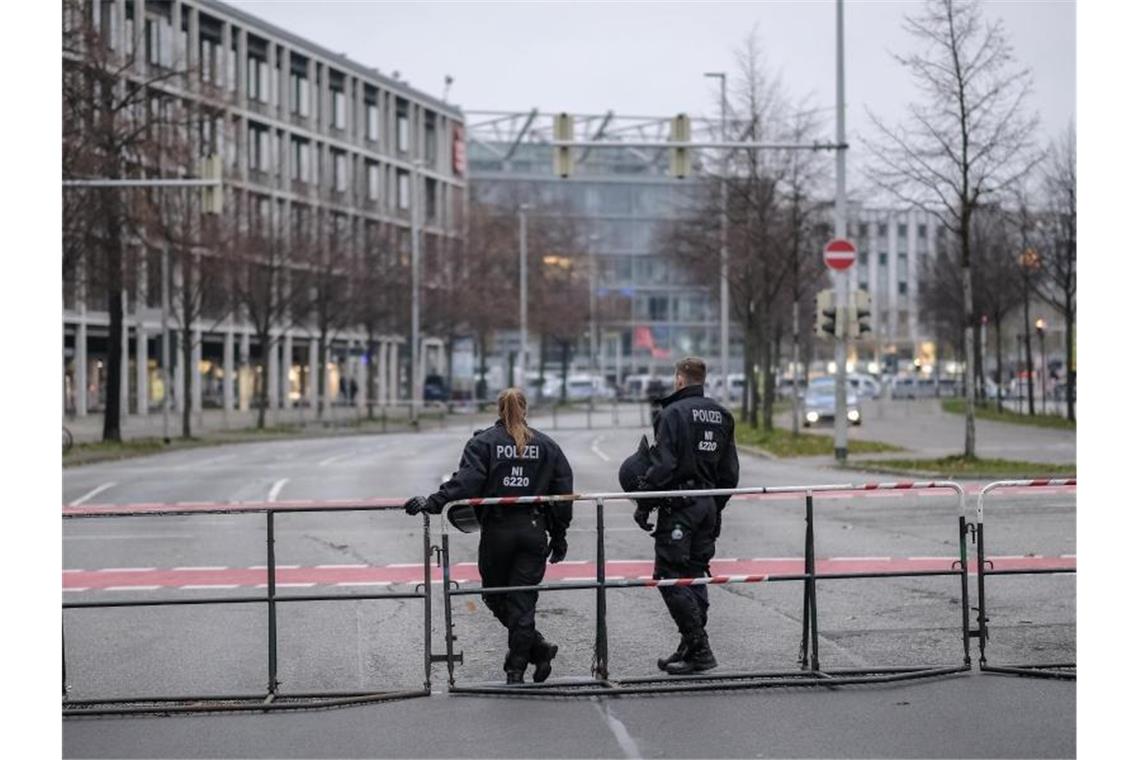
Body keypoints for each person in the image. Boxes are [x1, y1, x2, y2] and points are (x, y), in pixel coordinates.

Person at [404, 388, 574, 684]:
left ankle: (528, 656)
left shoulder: (483, 443)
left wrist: (431, 502)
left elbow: (465, 484)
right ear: (526, 408)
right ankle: (522, 662)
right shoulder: (547, 446)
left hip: (498, 532)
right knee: (523, 600)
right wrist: (559, 535)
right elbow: (563, 493)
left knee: (494, 596)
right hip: (533, 529)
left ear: (498, 409)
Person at [620, 357, 739, 675]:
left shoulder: (672, 414)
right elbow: (729, 472)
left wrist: (644, 503)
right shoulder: (722, 415)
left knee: (669, 576)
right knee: (696, 573)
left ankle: (699, 648)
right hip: (707, 505)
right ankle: (690, 644)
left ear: (680, 380)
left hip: (680, 508)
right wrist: (717, 507)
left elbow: (664, 466)